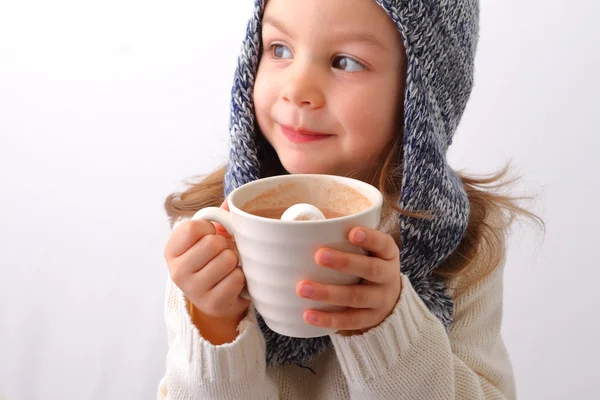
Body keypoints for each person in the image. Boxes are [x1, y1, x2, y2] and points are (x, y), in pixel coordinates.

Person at [158, 0, 540, 398]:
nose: (298, 90)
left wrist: (385, 328)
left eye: (346, 62)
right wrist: (214, 323)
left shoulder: (464, 240)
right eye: (279, 49)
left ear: (422, 94)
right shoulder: (210, 236)